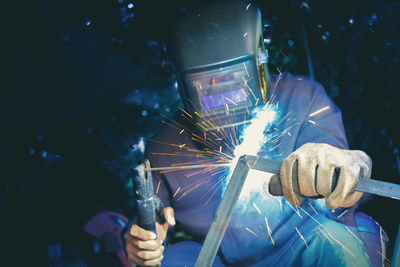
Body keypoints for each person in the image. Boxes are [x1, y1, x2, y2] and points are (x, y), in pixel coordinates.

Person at [124, 1, 387, 266]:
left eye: (234, 85)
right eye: (207, 91)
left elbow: (342, 175)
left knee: (335, 241)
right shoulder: (164, 146)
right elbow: (151, 221)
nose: (225, 105)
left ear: (258, 66)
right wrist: (141, 241)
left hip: (301, 246)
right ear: (183, 87)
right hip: (223, 259)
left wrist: (342, 165)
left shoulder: (302, 98)